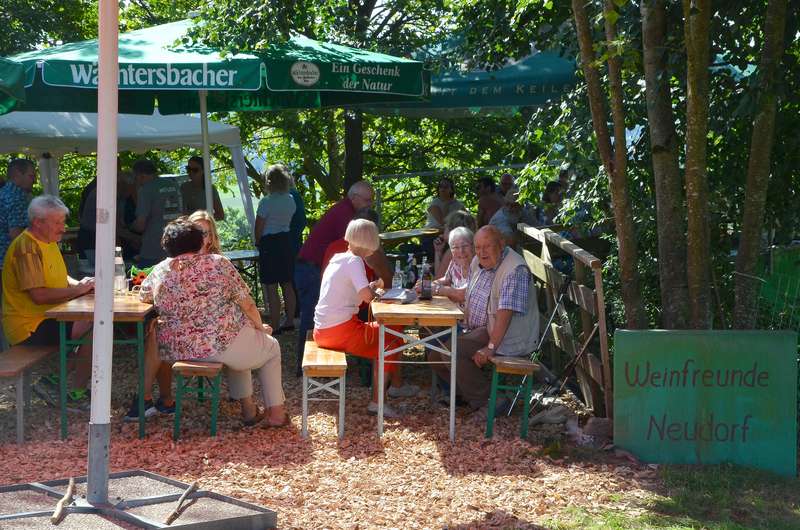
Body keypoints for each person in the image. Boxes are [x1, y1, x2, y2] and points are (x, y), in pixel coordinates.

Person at [133, 219, 286, 427]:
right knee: (271, 347)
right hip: (219, 344)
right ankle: (276, 415)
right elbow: (248, 305)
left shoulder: (160, 269)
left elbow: (144, 296)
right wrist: (261, 329)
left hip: (177, 350)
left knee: (242, 338)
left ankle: (250, 411)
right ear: (199, 242)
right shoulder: (218, 263)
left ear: (167, 245)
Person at [428, 225, 539, 413]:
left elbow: (505, 313)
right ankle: (469, 395)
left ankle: (490, 400)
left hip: (508, 338)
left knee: (450, 352)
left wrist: (489, 348)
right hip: (484, 328)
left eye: (487, 246)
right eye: (478, 247)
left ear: (501, 244)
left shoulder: (514, 269)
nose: (481, 252)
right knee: (434, 356)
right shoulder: (479, 262)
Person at [124, 211, 221, 422]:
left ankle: (147, 398)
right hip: (184, 336)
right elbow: (146, 292)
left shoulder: (218, 263)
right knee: (161, 331)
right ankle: (162, 399)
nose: (198, 237)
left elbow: (144, 293)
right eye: (193, 232)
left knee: (160, 332)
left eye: (203, 232)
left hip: (213, 338)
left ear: (212, 236)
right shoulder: (167, 266)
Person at [2, 196, 95, 402]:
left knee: (95, 324)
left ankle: (54, 380)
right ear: (38, 222)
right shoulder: (26, 248)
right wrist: (78, 290)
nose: (63, 228)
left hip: (46, 318)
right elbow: (39, 295)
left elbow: (61, 279)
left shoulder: (48, 240)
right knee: (95, 326)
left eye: (63, 222)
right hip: (28, 326)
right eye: (58, 222)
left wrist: (82, 285)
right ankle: (74, 392)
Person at [313, 219, 406, 416]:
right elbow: (366, 297)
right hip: (340, 331)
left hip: (323, 330)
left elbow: (355, 291)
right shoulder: (354, 261)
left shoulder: (338, 258)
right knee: (390, 339)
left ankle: (390, 390)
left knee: (390, 334)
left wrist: (371, 288)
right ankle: (378, 401)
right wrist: (378, 294)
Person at [294, 180, 375, 376]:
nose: (370, 204)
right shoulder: (346, 215)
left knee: (313, 315)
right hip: (310, 267)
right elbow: (356, 246)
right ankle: (306, 366)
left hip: (311, 265)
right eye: (367, 200)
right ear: (354, 198)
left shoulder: (343, 210)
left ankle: (305, 366)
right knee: (310, 316)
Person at [254, 165, 297, 334]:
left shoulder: (266, 202)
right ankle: (290, 321)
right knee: (287, 283)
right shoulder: (290, 199)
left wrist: (258, 242)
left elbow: (259, 227)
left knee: (271, 285)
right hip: (286, 241)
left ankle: (275, 324)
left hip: (270, 243)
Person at [131, 159, 182, 267]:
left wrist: (129, 229)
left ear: (141, 176)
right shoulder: (174, 185)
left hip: (154, 246)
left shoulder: (146, 189)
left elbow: (141, 224)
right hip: (177, 241)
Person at [0, 159, 37, 271]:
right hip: (10, 261)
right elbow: (16, 235)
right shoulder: (17, 197)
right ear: (17, 175)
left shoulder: (3, 193)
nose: (35, 181)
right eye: (31, 176)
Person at [431, 227, 474, 308]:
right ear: (451, 250)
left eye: (465, 246)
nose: (461, 251)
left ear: (473, 246)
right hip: (454, 315)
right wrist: (428, 285)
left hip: (468, 318)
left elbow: (461, 294)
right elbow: (446, 279)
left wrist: (435, 289)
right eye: (456, 247)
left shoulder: (478, 266)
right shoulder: (455, 263)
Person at [433, 210, 477, 279]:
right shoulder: (474, 245)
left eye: (446, 225)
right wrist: (438, 252)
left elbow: (438, 279)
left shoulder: (453, 251)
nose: (444, 227)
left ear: (452, 229)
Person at [180, 156, 224, 221]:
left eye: (195, 170)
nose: (191, 172)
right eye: (188, 169)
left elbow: (220, 215)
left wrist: (202, 220)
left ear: (203, 171)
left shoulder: (210, 189)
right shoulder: (183, 187)